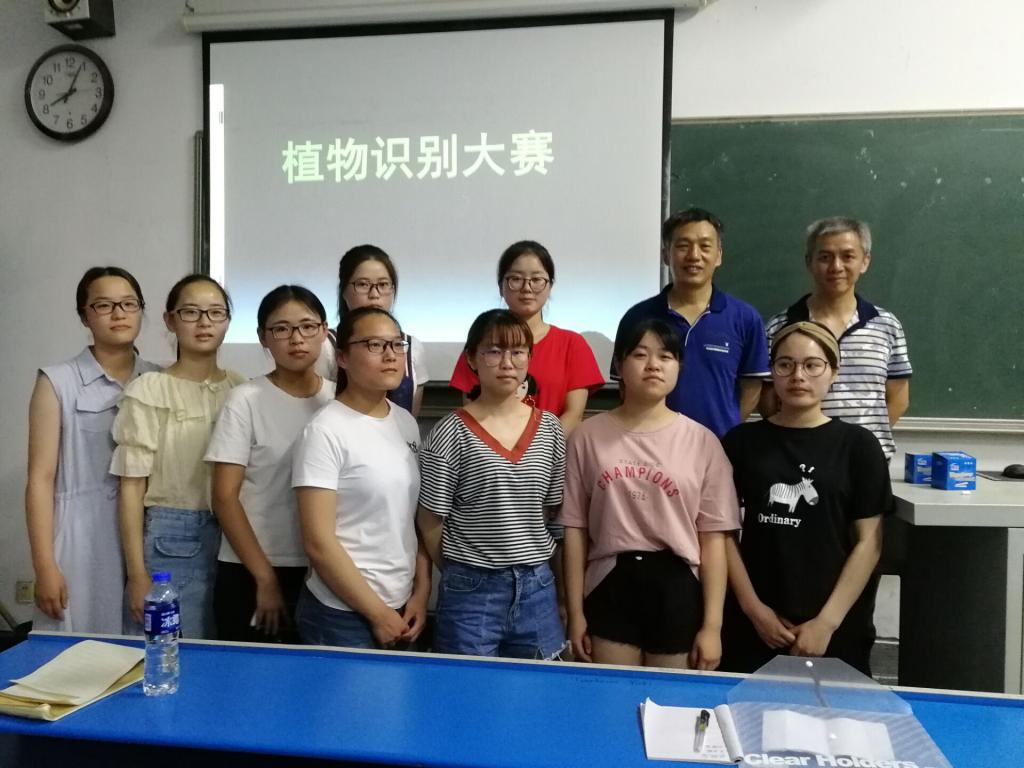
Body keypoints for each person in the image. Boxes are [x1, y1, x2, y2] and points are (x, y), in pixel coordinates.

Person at [560, 319, 739, 670]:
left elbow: (713, 539)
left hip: (679, 586)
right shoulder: (586, 436)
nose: (653, 365)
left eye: (665, 356)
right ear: (619, 364)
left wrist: (713, 626)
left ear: (679, 367)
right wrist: (575, 612)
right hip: (610, 582)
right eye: (640, 354)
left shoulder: (703, 442)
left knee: (670, 700)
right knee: (613, 696)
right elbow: (575, 530)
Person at [722, 321, 891, 675]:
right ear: (772, 372)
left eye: (812, 365)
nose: (798, 376)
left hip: (835, 625)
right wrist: (754, 610)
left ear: (833, 372)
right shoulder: (741, 442)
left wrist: (826, 622)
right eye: (785, 364)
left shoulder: (859, 446)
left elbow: (869, 543)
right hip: (755, 623)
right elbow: (723, 533)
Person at [419, 309, 567, 659]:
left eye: (518, 352)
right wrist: (463, 571)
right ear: (472, 358)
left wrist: (561, 594)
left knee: (538, 687)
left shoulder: (550, 428)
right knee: (469, 687)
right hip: (471, 591)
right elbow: (430, 522)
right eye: (494, 351)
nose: (507, 363)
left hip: (538, 587)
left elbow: (553, 516)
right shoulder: (449, 432)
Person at [25, 267, 160, 634]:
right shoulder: (57, 381)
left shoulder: (158, 379)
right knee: (80, 648)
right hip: (82, 537)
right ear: (85, 316)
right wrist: (44, 566)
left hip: (148, 534)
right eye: (104, 305)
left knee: (145, 647)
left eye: (129, 304)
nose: (118, 314)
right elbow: (40, 479)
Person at [112, 274, 246, 639]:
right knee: (169, 651)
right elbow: (131, 487)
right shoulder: (149, 390)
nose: (204, 322)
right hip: (171, 540)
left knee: (225, 649)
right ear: (170, 320)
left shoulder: (240, 387)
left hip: (235, 537)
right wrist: (137, 574)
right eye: (191, 312)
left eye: (215, 312)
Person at [293, 306, 430, 649]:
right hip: (343, 613)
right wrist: (377, 614)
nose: (390, 355)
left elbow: (412, 518)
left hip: (402, 604)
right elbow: (318, 542)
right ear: (342, 357)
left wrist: (421, 591)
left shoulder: (405, 422)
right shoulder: (325, 430)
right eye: (374, 345)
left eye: (397, 344)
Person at [205, 285, 334, 642]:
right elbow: (224, 497)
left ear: (324, 331)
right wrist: (264, 577)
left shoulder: (338, 400)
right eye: (281, 328)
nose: (297, 338)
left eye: (307, 326)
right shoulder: (245, 400)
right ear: (263, 337)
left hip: (323, 570)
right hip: (250, 568)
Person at [762, 217, 911, 461]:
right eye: (825, 257)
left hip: (867, 460)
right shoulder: (780, 327)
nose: (836, 266)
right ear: (809, 262)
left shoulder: (886, 325)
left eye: (848, 256)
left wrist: (861, 443)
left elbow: (898, 398)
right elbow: (767, 399)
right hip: (799, 458)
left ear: (865, 261)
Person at [612, 208, 770, 438]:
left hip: (721, 446)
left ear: (719, 255)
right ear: (665, 254)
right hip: (650, 445)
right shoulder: (638, 317)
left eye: (705, 246)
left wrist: (728, 432)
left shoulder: (745, 318)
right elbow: (625, 386)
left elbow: (752, 388)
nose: (694, 255)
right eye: (683, 246)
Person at [449, 241, 603, 434]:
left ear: (550, 286)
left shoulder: (573, 344)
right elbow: (473, 411)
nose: (527, 288)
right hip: (490, 450)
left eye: (537, 279)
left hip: (552, 450)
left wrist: (536, 449)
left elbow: (574, 415)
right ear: (501, 286)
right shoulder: (482, 343)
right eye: (516, 279)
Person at [315, 244, 428, 416]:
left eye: (383, 284)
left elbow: (411, 418)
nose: (374, 294)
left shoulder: (412, 347)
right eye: (363, 284)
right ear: (344, 291)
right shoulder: (325, 345)